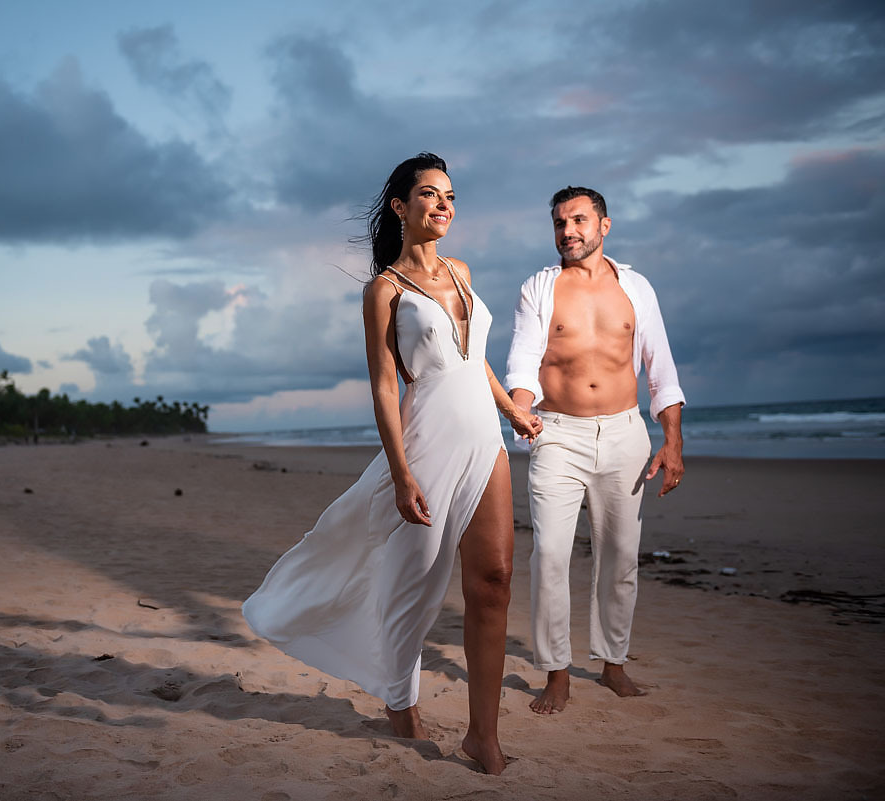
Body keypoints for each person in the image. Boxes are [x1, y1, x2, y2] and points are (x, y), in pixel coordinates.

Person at [243, 153, 541, 774]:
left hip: (485, 440)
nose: (443, 206)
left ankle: (482, 737)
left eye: (451, 196)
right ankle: (400, 702)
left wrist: (511, 411)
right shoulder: (384, 290)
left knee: (495, 583)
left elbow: (472, 354)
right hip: (427, 444)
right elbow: (384, 388)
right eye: (429, 195)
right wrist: (402, 475)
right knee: (414, 588)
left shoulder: (459, 271)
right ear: (401, 207)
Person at [505, 186, 685, 715]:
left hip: (626, 434)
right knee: (552, 556)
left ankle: (612, 664)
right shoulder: (540, 287)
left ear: (605, 226)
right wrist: (521, 409)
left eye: (579, 221)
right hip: (557, 433)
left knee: (620, 557)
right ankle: (556, 673)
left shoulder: (636, 288)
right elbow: (523, 358)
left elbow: (660, 366)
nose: (569, 232)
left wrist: (672, 442)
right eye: (560, 223)